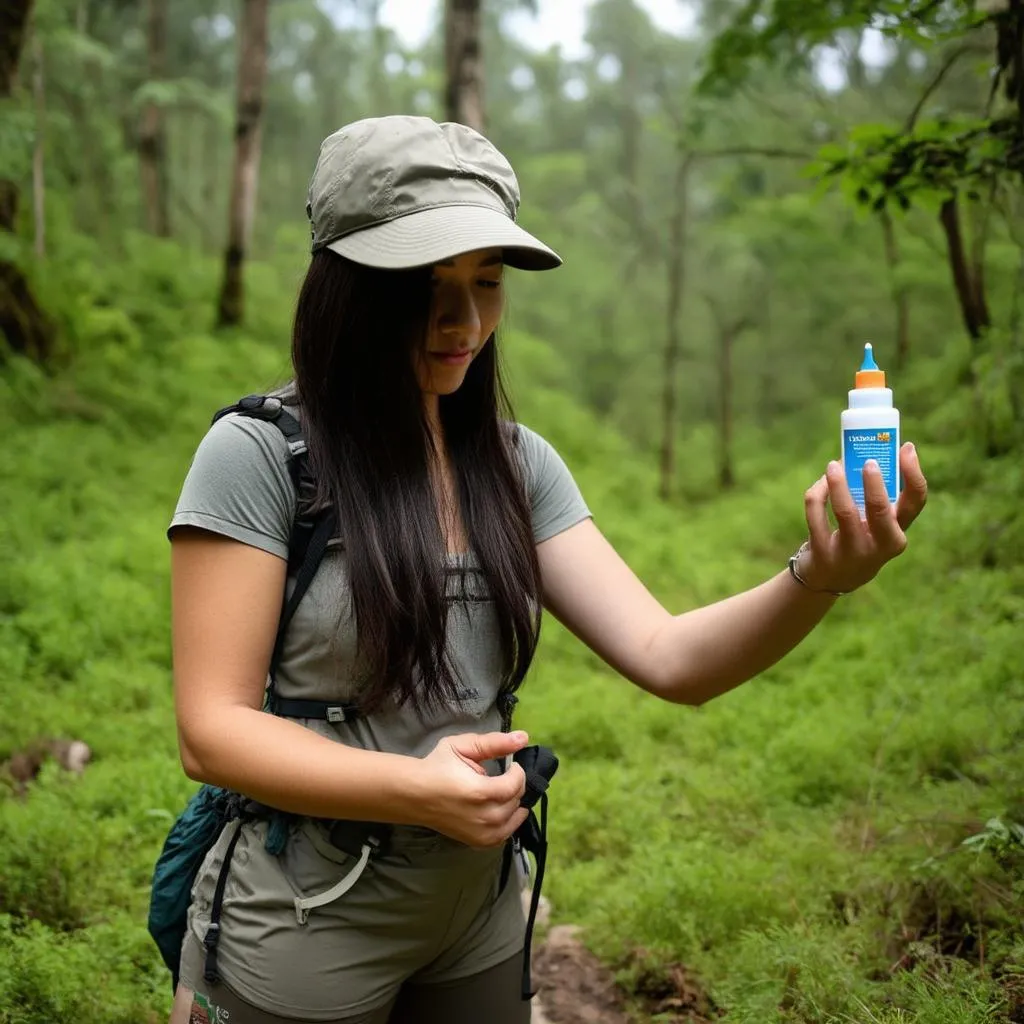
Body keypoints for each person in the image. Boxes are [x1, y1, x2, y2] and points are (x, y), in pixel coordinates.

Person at [166, 115, 928, 1024]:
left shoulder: (516, 466)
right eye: (426, 285)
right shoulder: (260, 456)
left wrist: (820, 574)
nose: (464, 321)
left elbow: (671, 657)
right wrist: (419, 791)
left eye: (486, 282)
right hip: (302, 919)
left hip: (478, 915)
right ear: (344, 285)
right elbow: (211, 732)